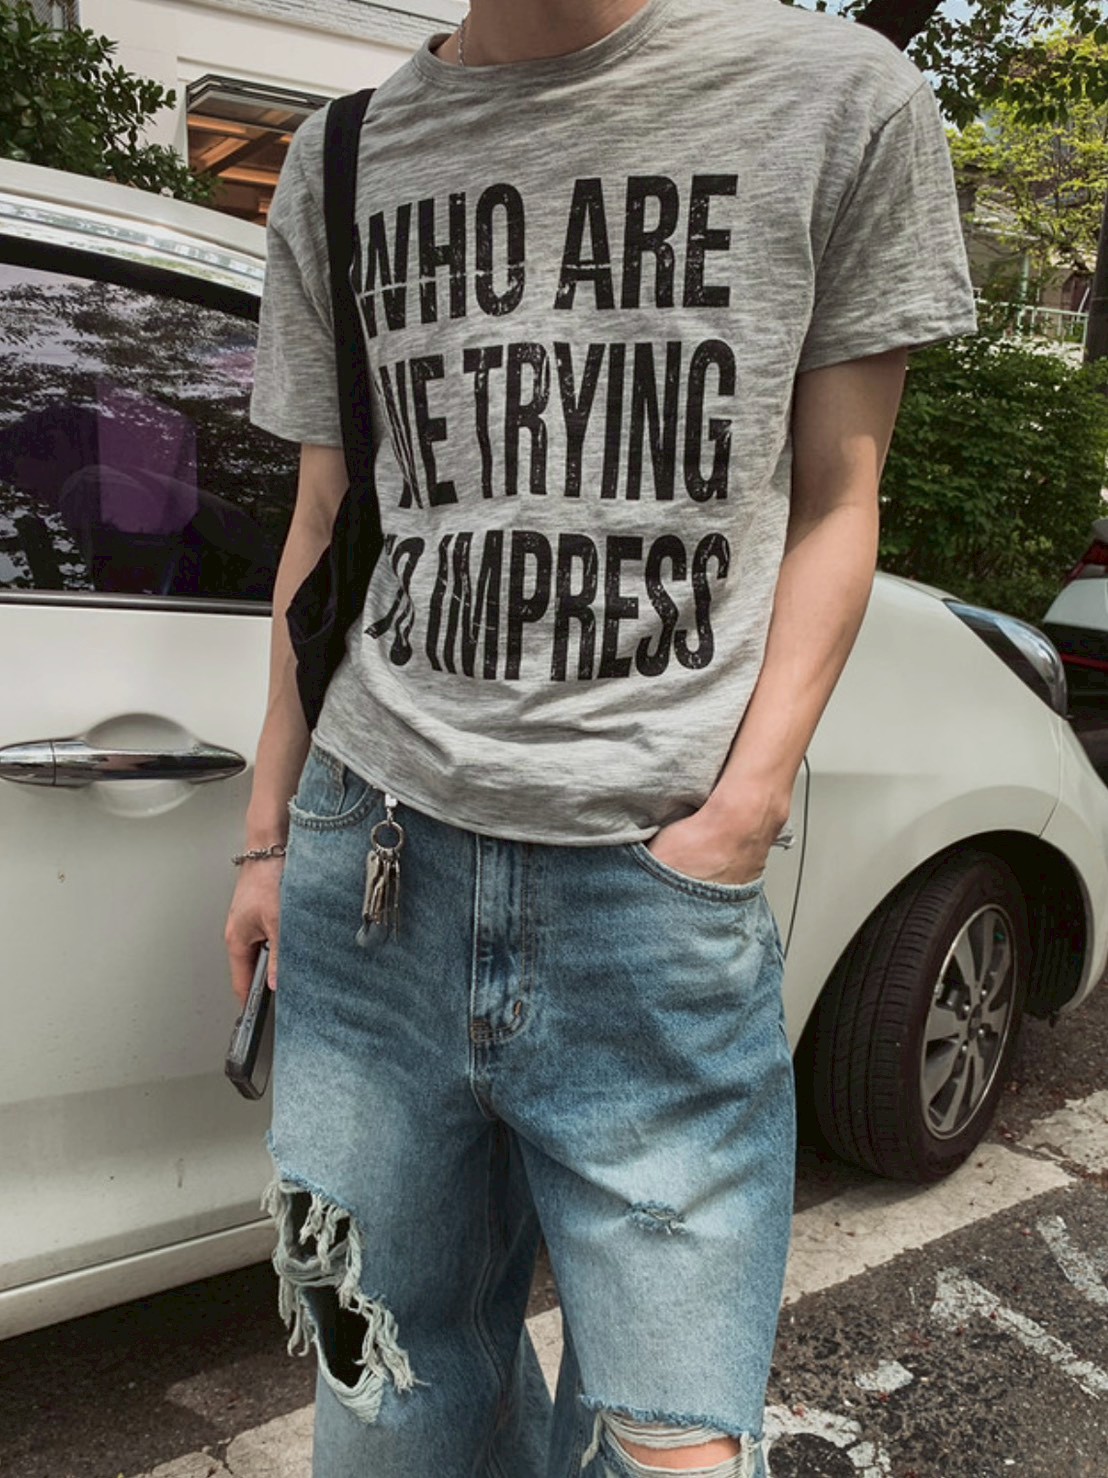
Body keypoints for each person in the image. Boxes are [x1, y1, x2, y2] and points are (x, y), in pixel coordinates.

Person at [225, 0, 976, 1473]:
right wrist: (266, 837)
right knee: (377, 1382)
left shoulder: (837, 101)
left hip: (652, 908)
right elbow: (323, 527)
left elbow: (840, 499)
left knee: (674, 1441)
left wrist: (742, 813)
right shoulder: (341, 157)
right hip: (368, 881)